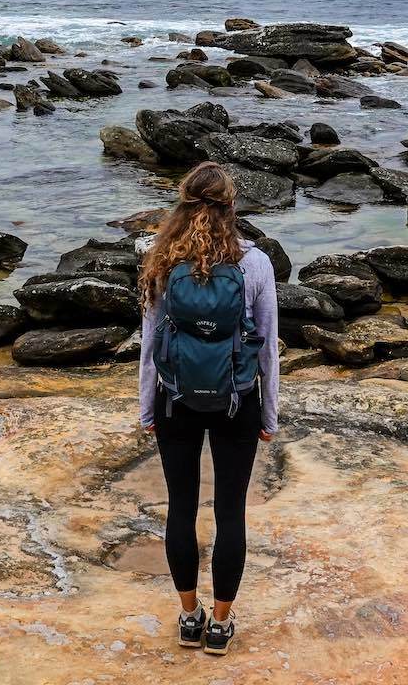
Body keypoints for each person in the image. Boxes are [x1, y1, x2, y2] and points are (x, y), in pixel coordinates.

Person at [137, 161, 279, 657]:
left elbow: (150, 344)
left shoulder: (162, 259)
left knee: (181, 507)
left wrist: (147, 408)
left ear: (183, 203)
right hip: (237, 400)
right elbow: (267, 347)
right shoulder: (255, 262)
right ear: (231, 206)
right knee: (229, 512)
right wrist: (269, 414)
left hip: (174, 399)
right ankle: (220, 625)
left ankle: (188, 616)